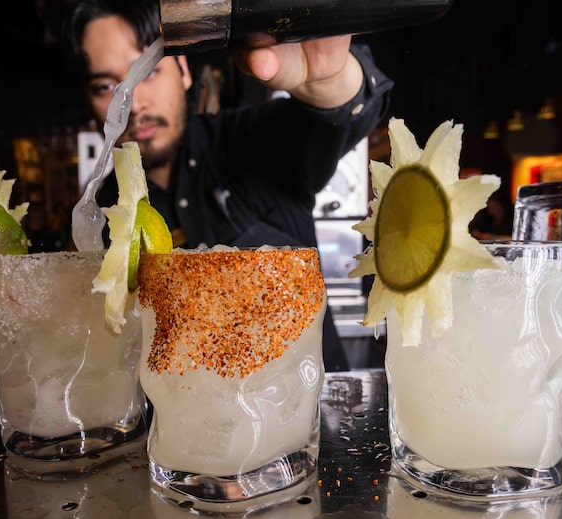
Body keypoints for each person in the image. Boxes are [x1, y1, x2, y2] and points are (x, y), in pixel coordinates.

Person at [64, 0, 394, 372]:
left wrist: (331, 82)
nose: (133, 102)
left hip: (315, 416)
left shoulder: (250, 142)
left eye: (148, 71)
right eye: (106, 84)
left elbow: (339, 114)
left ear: (184, 70)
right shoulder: (97, 220)